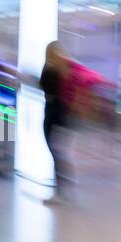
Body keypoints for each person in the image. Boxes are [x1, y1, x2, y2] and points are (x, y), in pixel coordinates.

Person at [41, 41, 74, 205]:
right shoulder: (66, 69)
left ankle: (60, 189)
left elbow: (44, 88)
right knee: (58, 151)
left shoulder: (50, 68)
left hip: (51, 111)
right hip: (63, 114)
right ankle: (63, 184)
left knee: (54, 151)